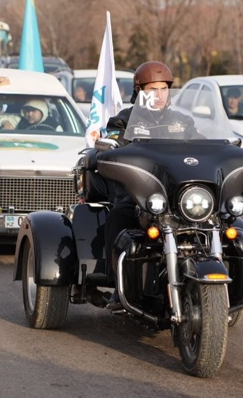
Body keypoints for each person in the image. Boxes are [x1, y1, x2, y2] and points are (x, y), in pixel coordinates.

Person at [101, 61, 199, 311]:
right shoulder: (123, 121)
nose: (158, 95)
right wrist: (111, 148)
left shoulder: (183, 121)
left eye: (164, 89)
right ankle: (116, 286)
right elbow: (111, 148)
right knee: (119, 216)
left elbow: (202, 148)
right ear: (139, 91)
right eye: (151, 89)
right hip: (136, 192)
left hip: (175, 192)